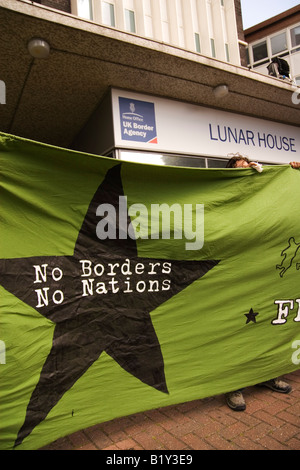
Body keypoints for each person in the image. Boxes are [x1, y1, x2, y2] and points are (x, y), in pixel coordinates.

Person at [224, 154, 299, 411]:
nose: (248, 171)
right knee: (237, 332)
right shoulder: (226, 201)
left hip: (266, 275)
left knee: (267, 328)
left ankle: (267, 375)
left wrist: (289, 174)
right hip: (237, 277)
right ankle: (234, 385)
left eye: (249, 166)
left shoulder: (264, 195)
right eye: (240, 169)